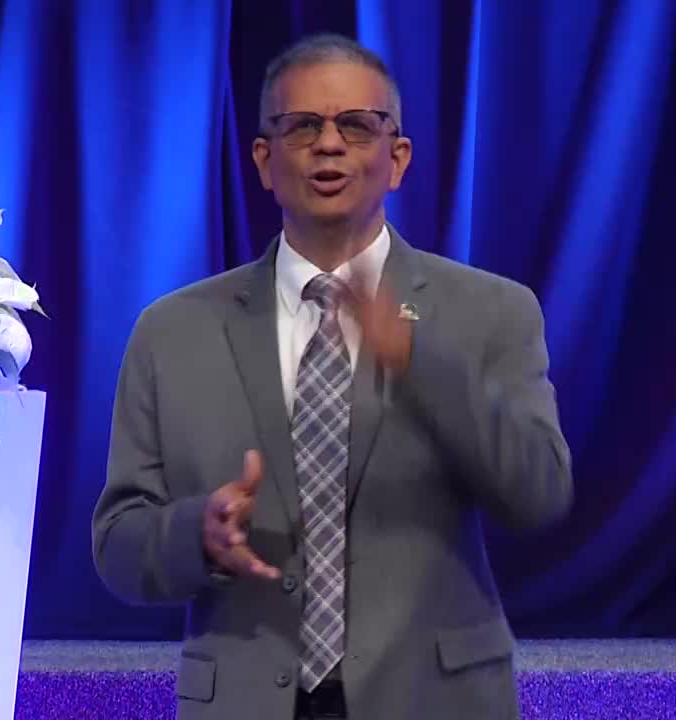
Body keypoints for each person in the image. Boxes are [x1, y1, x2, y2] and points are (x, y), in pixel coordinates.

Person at [92, 33, 573, 720]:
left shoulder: (491, 311)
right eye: (301, 126)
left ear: (396, 157)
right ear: (263, 158)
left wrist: (420, 364)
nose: (328, 144)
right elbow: (117, 543)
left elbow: (540, 493)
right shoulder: (173, 332)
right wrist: (198, 533)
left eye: (356, 125)